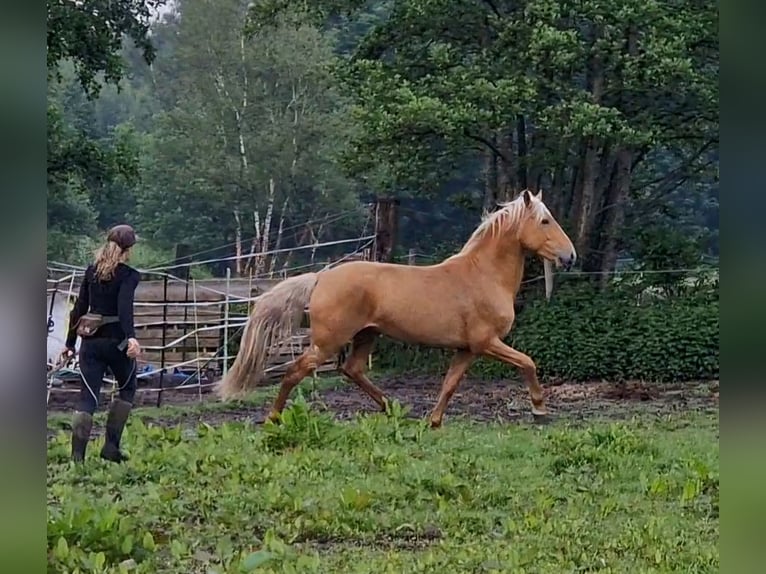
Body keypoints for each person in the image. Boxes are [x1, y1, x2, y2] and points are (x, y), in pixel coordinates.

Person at [63, 224, 142, 463]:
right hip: (117, 344)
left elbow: (79, 309)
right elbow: (124, 308)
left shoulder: (91, 272)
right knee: (127, 389)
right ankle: (111, 447)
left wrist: (69, 343)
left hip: (91, 344)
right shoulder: (129, 275)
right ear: (128, 250)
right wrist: (131, 337)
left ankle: (77, 458)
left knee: (87, 399)